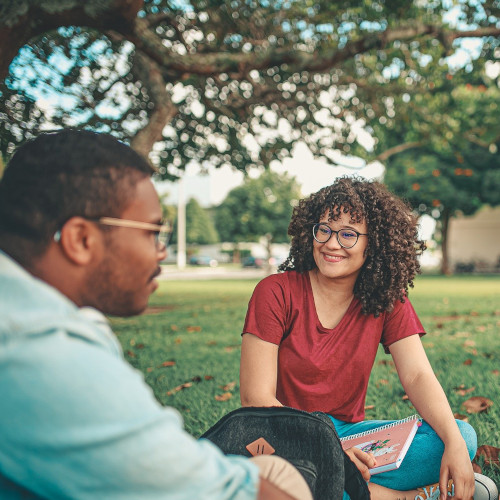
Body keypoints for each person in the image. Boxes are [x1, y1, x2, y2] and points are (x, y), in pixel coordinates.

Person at [0, 129, 313, 500]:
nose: (161, 252)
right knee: (282, 478)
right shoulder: (44, 354)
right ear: (81, 240)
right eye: (152, 233)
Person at [240, 177, 498, 500]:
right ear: (311, 232)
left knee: (461, 435)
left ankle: (347, 487)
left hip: (350, 437)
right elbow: (255, 400)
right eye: (325, 229)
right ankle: (407, 497)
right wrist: (329, 453)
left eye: (348, 234)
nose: (332, 244)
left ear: (373, 243)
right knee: (280, 479)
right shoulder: (274, 292)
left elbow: (417, 375)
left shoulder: (386, 298)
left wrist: (456, 447)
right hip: (284, 439)